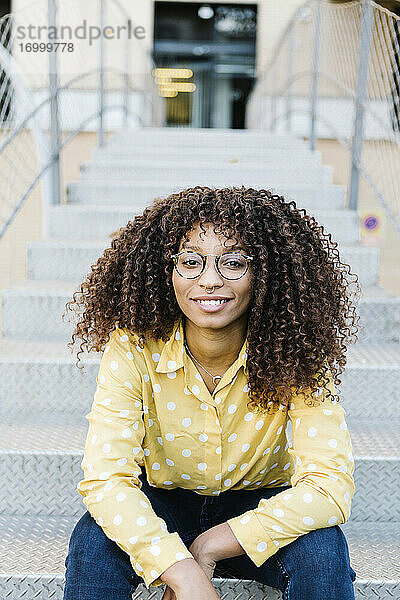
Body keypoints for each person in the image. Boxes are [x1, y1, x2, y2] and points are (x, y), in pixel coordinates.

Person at [62, 186, 359, 600]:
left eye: (234, 262)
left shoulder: (296, 351)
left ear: (266, 274)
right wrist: (179, 569)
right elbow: (105, 480)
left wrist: (212, 543)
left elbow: (329, 487)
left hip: (258, 508)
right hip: (161, 503)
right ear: (166, 270)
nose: (210, 281)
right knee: (93, 543)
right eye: (190, 262)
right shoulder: (134, 347)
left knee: (324, 553)